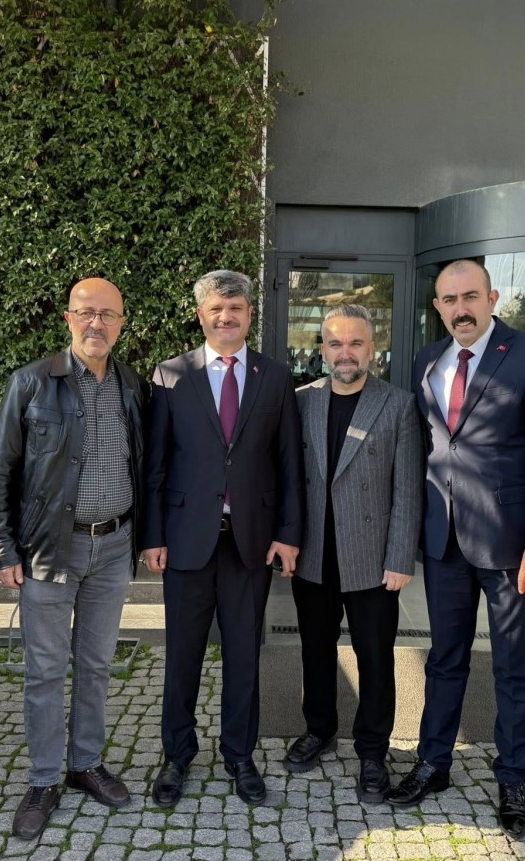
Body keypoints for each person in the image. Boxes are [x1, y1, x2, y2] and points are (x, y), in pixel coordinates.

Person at [386, 259, 525, 839]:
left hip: (513, 548)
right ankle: (433, 762)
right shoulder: (428, 359)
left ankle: (513, 777)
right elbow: (431, 448)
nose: (460, 309)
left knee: (515, 668)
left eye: (470, 296)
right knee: (444, 659)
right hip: (444, 541)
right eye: (449, 300)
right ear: (437, 307)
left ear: (493, 298)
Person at [0, 278, 148, 839]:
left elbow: (144, 464)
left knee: (97, 664)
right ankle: (43, 779)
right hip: (49, 548)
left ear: (121, 324)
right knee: (46, 669)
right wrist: (2, 547)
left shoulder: (133, 385)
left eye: (108, 314)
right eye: (86, 313)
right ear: (68, 318)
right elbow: (2, 469)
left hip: (115, 545)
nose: (96, 323)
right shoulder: (31, 383)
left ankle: (85, 764)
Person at [143, 270, 304, 808]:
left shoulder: (274, 377)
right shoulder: (170, 375)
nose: (226, 317)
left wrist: (288, 534)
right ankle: (177, 755)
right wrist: (152, 535)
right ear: (201, 315)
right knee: (182, 656)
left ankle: (240, 755)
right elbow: (156, 465)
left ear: (249, 315)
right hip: (186, 541)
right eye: (216, 309)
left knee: (243, 656)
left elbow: (289, 463)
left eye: (235, 309)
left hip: (250, 543)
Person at [285, 304, 423, 803]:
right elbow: (288, 480)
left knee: (375, 659)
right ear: (323, 350)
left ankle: (372, 750)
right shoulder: (301, 401)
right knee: (315, 651)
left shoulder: (398, 404)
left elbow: (408, 488)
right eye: (336, 343)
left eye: (356, 343)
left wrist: (400, 557)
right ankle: (319, 729)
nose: (346, 353)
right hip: (314, 555)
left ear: (372, 348)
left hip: (372, 559)